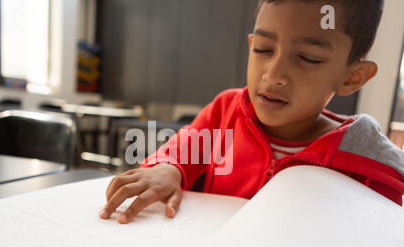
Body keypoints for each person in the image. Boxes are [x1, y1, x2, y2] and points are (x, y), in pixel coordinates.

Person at [100, 0, 404, 224]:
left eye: (309, 58)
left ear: (352, 77)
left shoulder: (366, 164)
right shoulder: (226, 112)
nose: (273, 75)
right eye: (263, 49)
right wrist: (168, 169)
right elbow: (181, 152)